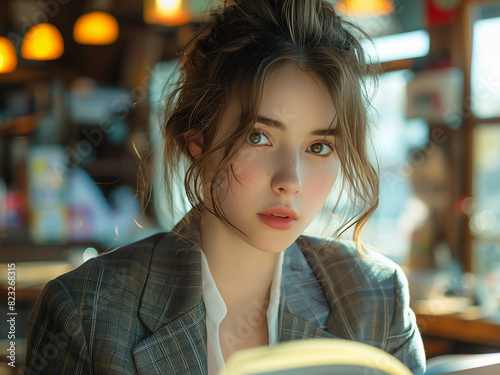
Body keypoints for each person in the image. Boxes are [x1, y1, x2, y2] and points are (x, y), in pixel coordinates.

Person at [24, 0, 426, 374]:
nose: (291, 181)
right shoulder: (85, 312)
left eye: (318, 147)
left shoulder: (375, 298)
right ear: (196, 138)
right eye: (258, 137)